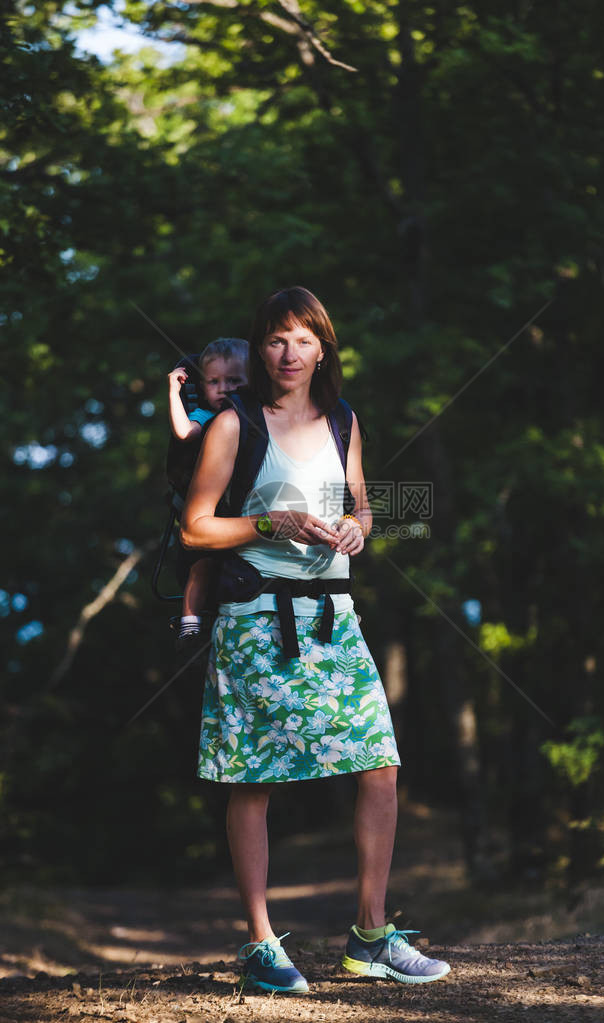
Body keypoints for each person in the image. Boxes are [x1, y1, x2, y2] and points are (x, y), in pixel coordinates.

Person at [181, 287, 450, 994]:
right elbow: (195, 528)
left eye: (302, 339)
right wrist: (272, 524)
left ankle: (370, 936)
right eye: (274, 339)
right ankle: (263, 945)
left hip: (335, 618)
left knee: (380, 762)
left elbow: (358, 499)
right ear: (260, 349)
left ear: (323, 347)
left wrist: (361, 524)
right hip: (255, 623)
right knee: (255, 779)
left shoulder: (342, 420)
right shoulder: (235, 426)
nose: (288, 352)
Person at [168, 337, 248, 644]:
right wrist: (175, 392)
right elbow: (184, 432)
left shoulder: (260, 416)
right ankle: (190, 618)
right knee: (201, 565)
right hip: (213, 509)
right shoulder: (206, 416)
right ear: (202, 388)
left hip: (246, 506)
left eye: (234, 380)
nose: (224, 388)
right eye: (214, 382)